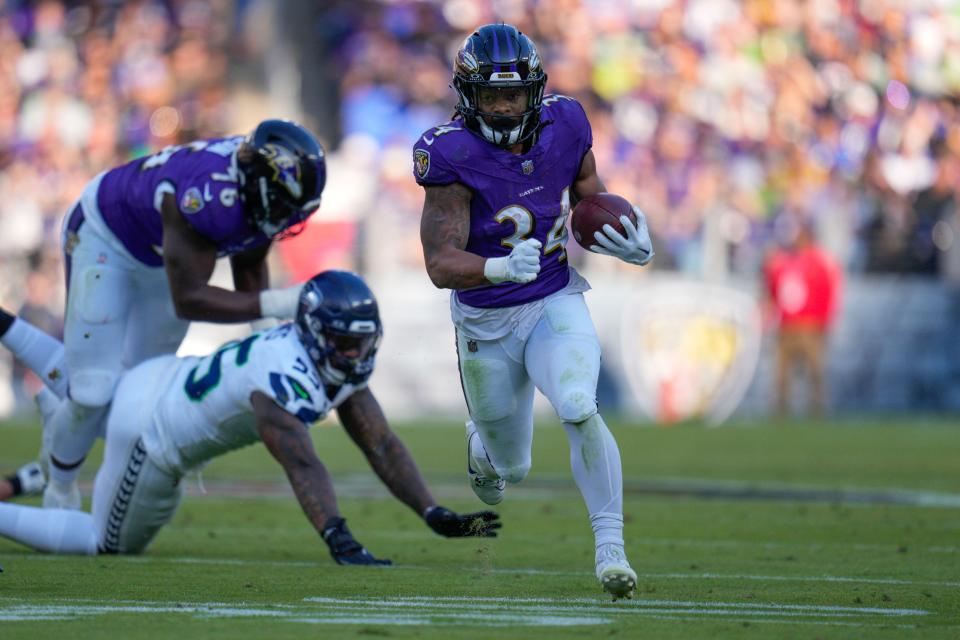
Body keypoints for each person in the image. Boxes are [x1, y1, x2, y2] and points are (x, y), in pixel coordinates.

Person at [0, 271, 500, 561]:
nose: (354, 354)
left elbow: (382, 443)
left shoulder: (317, 356)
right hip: (151, 436)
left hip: (153, 378)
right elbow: (301, 462)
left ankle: (8, 333)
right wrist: (338, 536)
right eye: (345, 343)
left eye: (362, 342)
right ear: (315, 333)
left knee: (83, 383)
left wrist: (433, 512)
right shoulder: (283, 374)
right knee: (103, 544)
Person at [413, 24, 653, 600]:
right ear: (468, 96)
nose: (502, 106)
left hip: (551, 297)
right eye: (491, 95)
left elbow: (589, 200)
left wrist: (626, 238)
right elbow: (440, 263)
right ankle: (482, 448)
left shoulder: (566, 124)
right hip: (485, 320)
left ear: (535, 92)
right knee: (508, 472)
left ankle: (611, 549)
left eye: (513, 94)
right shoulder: (448, 152)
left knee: (577, 403)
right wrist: (495, 268)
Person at [16, 119, 327, 510]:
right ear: (260, 185)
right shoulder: (207, 196)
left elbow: (250, 266)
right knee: (93, 389)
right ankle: (58, 486)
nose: (288, 218)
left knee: (138, 395)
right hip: (106, 236)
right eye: (284, 204)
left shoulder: (252, 186)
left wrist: (267, 336)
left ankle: (62, 418)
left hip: (161, 256)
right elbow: (190, 299)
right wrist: (279, 305)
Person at [762, 219, 842, 418]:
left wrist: (825, 322)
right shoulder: (783, 263)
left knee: (815, 372)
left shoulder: (819, 263)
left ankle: (817, 410)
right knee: (782, 373)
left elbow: (828, 294)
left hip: (810, 326)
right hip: (787, 326)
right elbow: (773, 291)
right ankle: (781, 411)